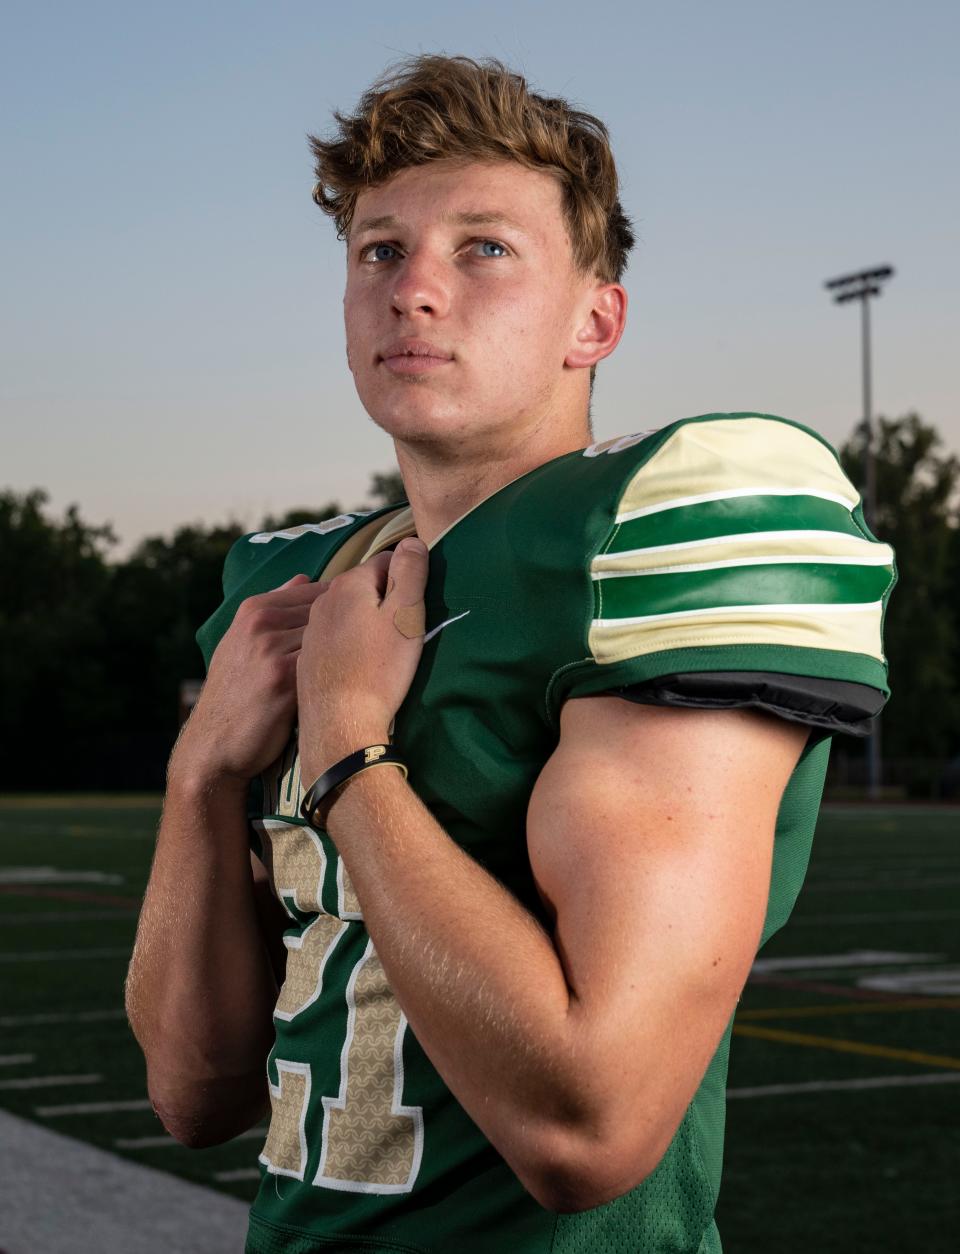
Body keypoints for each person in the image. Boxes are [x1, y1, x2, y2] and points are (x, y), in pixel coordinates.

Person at [125, 54, 896, 1253]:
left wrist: (347, 753)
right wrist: (201, 778)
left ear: (596, 318)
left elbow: (585, 1130)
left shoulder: (662, 523)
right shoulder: (290, 591)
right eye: (381, 250)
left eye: (484, 248)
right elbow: (190, 1095)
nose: (415, 290)